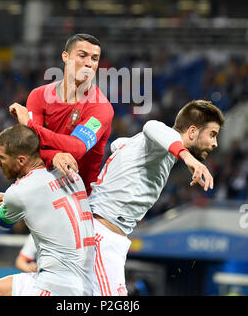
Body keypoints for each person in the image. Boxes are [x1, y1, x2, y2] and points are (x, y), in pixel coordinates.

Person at [88, 100, 225, 296]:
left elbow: (119, 145)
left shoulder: (155, 149)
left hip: (104, 233)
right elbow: (152, 126)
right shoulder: (160, 138)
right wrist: (188, 157)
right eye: (212, 134)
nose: (215, 143)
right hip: (103, 235)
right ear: (193, 131)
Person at [0, 124, 95, 296]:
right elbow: (47, 194)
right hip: (86, 282)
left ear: (21, 160)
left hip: (55, 286)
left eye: (1, 157)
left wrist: (8, 201)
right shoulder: (71, 172)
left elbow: (2, 223)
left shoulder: (19, 192)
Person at [8, 33, 114, 196]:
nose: (88, 63)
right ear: (66, 57)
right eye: (82, 56)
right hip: (41, 190)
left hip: (81, 197)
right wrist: (54, 155)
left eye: (94, 59)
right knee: (3, 214)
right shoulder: (39, 96)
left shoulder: (101, 107)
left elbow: (77, 148)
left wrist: (29, 124)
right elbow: (29, 146)